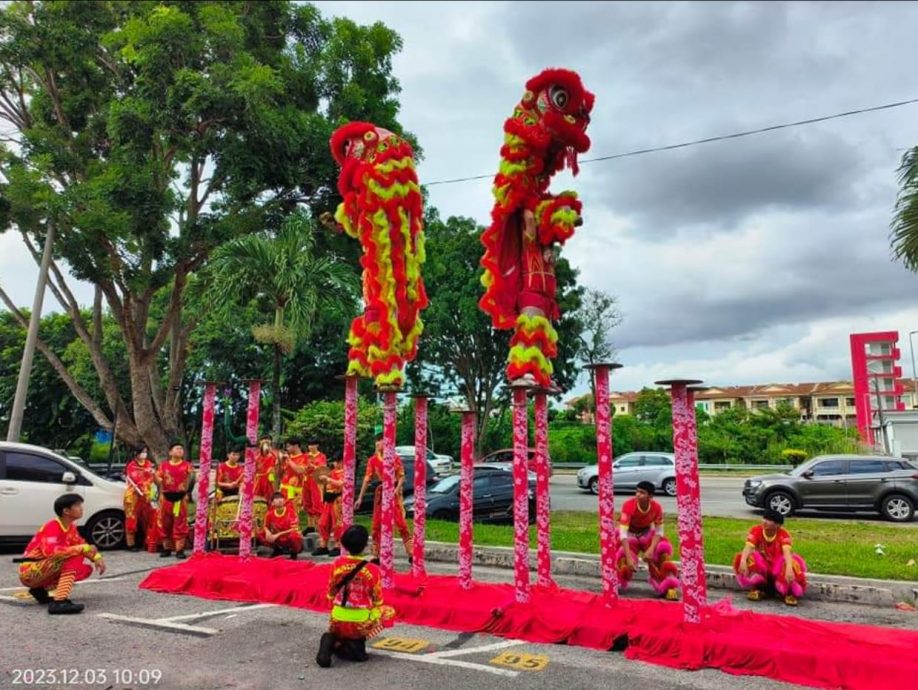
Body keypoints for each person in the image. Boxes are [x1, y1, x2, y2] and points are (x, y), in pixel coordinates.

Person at [478, 69, 594, 390]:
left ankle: (540, 369)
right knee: (532, 299)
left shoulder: (537, 199)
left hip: (541, 263)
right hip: (528, 261)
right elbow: (529, 222)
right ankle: (522, 367)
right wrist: (543, 227)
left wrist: (552, 234)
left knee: (543, 299)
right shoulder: (525, 209)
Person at [316, 524, 395, 668]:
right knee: (388, 612)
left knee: (337, 619)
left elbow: (330, 592)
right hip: (360, 622)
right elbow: (378, 600)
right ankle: (359, 640)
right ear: (365, 545)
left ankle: (333, 638)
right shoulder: (373, 569)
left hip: (337, 618)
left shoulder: (337, 564)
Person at [18, 494, 106, 614]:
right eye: (77, 506)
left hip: (41, 569)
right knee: (75, 557)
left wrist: (96, 557)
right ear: (66, 511)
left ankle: (39, 590)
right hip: (29, 572)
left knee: (84, 569)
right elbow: (51, 552)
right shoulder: (52, 526)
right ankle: (59, 602)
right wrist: (82, 548)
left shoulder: (70, 527)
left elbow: (81, 543)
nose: (81, 508)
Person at [616, 481, 680, 600]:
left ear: (650, 496)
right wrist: (629, 557)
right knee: (622, 554)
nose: (638, 494)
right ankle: (615, 583)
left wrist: (650, 550)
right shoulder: (628, 505)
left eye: (642, 492)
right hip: (629, 534)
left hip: (647, 533)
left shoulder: (657, 507)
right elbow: (623, 533)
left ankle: (668, 587)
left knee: (661, 552)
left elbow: (659, 532)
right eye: (637, 491)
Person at [734, 509, 808, 606]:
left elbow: (787, 553)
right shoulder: (756, 530)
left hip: (778, 568)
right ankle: (758, 588)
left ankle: (789, 593)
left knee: (792, 563)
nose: (764, 521)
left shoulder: (783, 534)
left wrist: (789, 568)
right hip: (764, 567)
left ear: (777, 525)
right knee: (746, 558)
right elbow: (748, 547)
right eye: (764, 518)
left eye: (768, 520)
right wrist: (743, 561)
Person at [355, 440, 412, 560]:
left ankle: (411, 552)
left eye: (380, 442)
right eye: (377, 443)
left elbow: (401, 475)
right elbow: (367, 479)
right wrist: (360, 497)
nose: (378, 445)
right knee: (376, 523)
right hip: (380, 492)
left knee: (400, 523)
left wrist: (397, 489)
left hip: (392, 491)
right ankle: (376, 554)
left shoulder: (394, 458)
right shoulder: (373, 460)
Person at [155, 440, 194, 559]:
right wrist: (157, 480)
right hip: (166, 497)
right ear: (170, 452)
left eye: (181, 449)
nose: (180, 451)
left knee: (180, 523)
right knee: (165, 523)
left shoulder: (187, 465)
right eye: (177, 449)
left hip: (180, 498)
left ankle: (179, 550)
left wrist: (186, 492)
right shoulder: (164, 465)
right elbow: (158, 477)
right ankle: (166, 548)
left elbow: (191, 479)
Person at [123, 445, 158, 552]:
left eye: (146, 451)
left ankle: (149, 541)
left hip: (147, 495)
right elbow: (135, 479)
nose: (144, 454)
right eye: (142, 451)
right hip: (133, 495)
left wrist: (153, 474)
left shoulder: (148, 464)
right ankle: (130, 544)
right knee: (131, 518)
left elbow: (152, 478)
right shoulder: (131, 465)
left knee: (149, 518)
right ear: (136, 453)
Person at [313, 458, 345, 557]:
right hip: (328, 500)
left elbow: (342, 484)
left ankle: (338, 545)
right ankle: (324, 545)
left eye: (336, 461)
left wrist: (328, 479)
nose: (334, 463)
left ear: (341, 461)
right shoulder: (331, 472)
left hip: (338, 500)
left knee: (337, 523)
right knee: (322, 523)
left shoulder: (346, 472)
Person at [261, 491, 303, 559]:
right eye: (277, 499)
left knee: (294, 535)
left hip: (287, 536)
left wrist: (278, 534)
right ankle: (277, 550)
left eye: (281, 498)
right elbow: (265, 526)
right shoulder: (269, 514)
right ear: (272, 503)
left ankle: (294, 553)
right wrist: (267, 531)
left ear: (284, 501)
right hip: (278, 538)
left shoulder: (290, 512)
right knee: (261, 534)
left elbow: (294, 528)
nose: (279, 500)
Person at [303, 441, 328, 534]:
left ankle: (319, 525)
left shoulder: (321, 456)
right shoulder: (306, 456)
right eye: (309, 445)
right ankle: (310, 526)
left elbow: (323, 468)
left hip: (316, 481)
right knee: (307, 502)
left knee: (317, 503)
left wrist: (313, 466)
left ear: (317, 445)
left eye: (313, 445)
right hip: (306, 480)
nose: (311, 447)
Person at [280, 439, 308, 516]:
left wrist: (289, 460)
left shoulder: (304, 457)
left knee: (293, 513)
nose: (287, 448)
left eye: (288, 446)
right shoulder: (288, 457)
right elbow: (281, 474)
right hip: (284, 489)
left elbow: (300, 471)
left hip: (295, 490)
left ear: (296, 446)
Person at [254, 436, 278, 501]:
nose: (266, 441)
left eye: (268, 440)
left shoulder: (275, 454)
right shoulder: (256, 454)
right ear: (260, 442)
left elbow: (277, 467)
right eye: (264, 440)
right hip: (258, 478)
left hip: (269, 478)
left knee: (270, 496)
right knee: (257, 497)